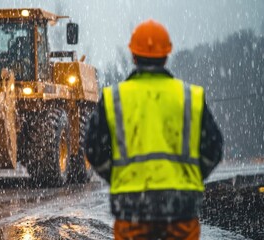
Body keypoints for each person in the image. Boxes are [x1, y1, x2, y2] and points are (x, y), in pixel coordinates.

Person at [85, 19, 223, 240]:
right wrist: (191, 176)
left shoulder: (114, 98)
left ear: (133, 56)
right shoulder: (190, 97)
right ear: (167, 55)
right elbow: (214, 148)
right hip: (181, 209)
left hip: (132, 211)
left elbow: (93, 148)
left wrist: (117, 176)